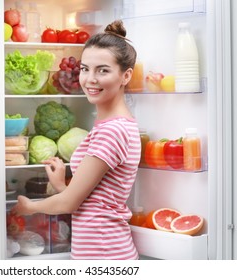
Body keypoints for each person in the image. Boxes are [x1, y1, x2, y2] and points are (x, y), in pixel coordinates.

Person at [11, 20, 141, 260]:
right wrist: (62, 186)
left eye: (103, 70)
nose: (90, 79)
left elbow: (69, 205)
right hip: (101, 251)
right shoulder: (112, 126)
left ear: (126, 76)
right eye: (84, 69)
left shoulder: (112, 131)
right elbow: (97, 201)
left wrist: (30, 207)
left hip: (106, 253)